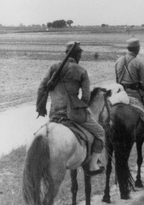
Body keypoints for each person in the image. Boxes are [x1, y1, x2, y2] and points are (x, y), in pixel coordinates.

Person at [36, 41, 106, 175]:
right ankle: (92, 165)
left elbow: (41, 88)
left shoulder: (53, 68)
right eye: (80, 54)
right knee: (101, 132)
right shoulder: (82, 70)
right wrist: (80, 106)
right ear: (77, 55)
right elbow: (86, 97)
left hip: (54, 113)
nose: (80, 57)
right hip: (73, 114)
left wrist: (40, 106)